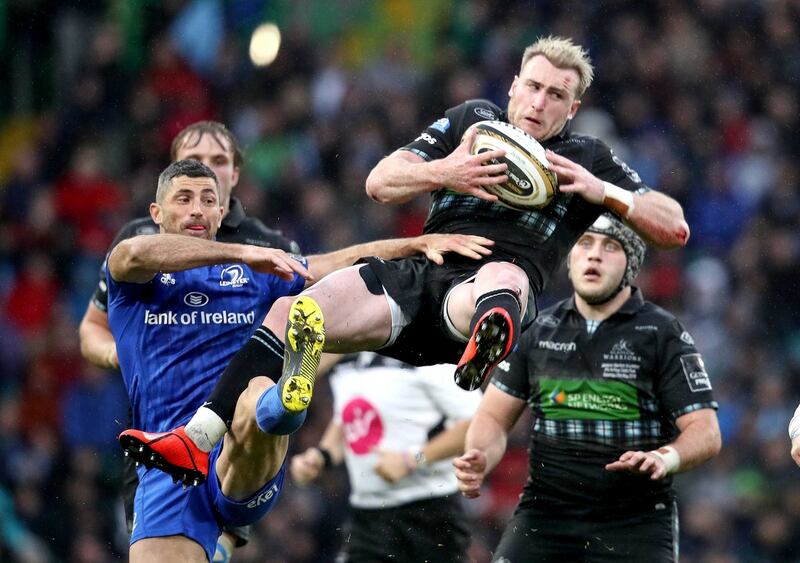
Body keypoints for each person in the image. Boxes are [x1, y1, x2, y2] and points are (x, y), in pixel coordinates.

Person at [119, 35, 691, 486]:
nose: (540, 103)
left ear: (574, 106)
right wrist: (447, 171)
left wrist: (603, 190)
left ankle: (487, 343)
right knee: (294, 311)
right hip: (418, 273)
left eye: (556, 95)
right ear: (514, 84)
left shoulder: (586, 158)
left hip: (477, 298)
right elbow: (379, 181)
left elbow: (673, 227)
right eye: (534, 87)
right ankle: (199, 437)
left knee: (502, 278)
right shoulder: (472, 121)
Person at [108, 159, 491, 562]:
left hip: (244, 448)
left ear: (222, 212)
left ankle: (286, 400)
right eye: (183, 199)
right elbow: (130, 253)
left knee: (253, 392)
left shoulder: (257, 272)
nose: (197, 210)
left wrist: (413, 245)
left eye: (208, 200)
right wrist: (242, 252)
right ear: (156, 213)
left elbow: (342, 261)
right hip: (171, 466)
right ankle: (280, 400)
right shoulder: (139, 280)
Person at [79, 120, 300, 562]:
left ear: (234, 174)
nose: (208, 171)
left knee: (258, 404)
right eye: (195, 162)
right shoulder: (143, 239)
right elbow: (90, 328)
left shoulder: (271, 245)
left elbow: (328, 288)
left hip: (235, 426)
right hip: (163, 429)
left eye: (218, 162)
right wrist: (115, 354)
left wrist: (405, 256)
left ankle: (280, 405)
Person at [453, 214, 721, 561]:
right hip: (545, 515)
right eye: (584, 243)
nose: (594, 255)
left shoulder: (663, 334)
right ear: (570, 259)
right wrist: (480, 456)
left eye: (610, 246)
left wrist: (664, 457)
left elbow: (706, 431)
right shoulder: (540, 330)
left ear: (631, 263)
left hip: (634, 522)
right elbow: (492, 417)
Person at [290, 352, 481, 563]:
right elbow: (348, 419)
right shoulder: (349, 358)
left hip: (430, 514)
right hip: (368, 516)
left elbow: (478, 422)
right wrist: (321, 456)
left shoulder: (430, 350)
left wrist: (411, 460)